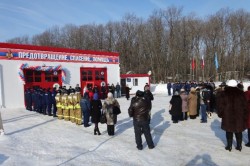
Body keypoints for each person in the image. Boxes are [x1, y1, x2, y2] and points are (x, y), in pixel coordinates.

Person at [216, 79, 248, 152]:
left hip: (227, 116)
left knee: (229, 131)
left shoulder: (224, 93)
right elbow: (245, 106)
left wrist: (221, 114)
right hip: (239, 116)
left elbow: (220, 106)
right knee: (239, 131)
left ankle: (229, 146)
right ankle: (239, 146)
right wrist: (244, 116)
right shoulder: (241, 93)